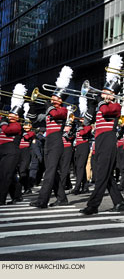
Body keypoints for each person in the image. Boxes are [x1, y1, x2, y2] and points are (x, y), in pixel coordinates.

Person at [80, 54, 124, 215]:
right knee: (106, 175)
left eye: (108, 92)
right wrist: (91, 104)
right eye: (104, 91)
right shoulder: (100, 105)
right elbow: (86, 122)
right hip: (99, 140)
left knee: (101, 174)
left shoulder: (116, 106)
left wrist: (99, 102)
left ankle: (93, 205)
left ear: (114, 94)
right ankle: (119, 202)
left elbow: (107, 111)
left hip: (108, 139)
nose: (104, 94)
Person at [29, 67, 71, 208]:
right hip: (49, 141)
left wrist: (48, 106)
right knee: (53, 172)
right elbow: (34, 120)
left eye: (55, 97)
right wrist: (33, 105)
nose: (52, 98)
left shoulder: (63, 110)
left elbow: (56, 114)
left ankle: (42, 201)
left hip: (57, 142)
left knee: (50, 172)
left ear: (60, 99)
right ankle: (62, 198)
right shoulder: (50, 110)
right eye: (52, 96)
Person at [0, 84, 26, 205]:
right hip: (3, 151)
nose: (10, 115)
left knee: (6, 176)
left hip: (11, 153)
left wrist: (3, 122)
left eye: (13, 115)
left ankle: (1, 199)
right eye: (10, 114)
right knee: (7, 175)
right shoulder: (4, 121)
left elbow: (7, 130)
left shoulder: (17, 125)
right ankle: (17, 195)